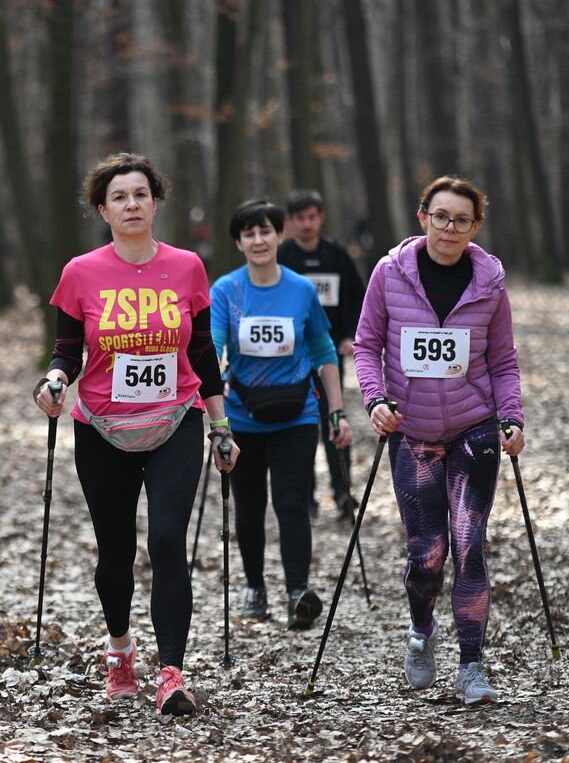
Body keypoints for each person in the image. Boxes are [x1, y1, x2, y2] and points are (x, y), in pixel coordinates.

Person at [33, 152, 238, 717]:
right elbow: (66, 352)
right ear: (102, 208)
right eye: (119, 197)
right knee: (116, 551)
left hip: (176, 418)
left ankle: (171, 672)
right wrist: (53, 381)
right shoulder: (81, 272)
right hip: (101, 427)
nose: (131, 204)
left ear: (155, 202)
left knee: (169, 540)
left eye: (140, 195)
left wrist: (221, 425)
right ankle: (120, 650)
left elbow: (201, 354)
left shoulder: (188, 267)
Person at [351, 176, 526, 706]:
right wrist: (376, 401)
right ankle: (422, 630)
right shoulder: (389, 272)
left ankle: (472, 665)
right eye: (441, 216)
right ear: (423, 216)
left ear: (476, 226)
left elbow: (504, 361)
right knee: (427, 554)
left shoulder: (490, 283)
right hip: (415, 432)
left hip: (475, 428)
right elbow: (366, 344)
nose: (450, 228)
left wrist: (512, 416)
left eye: (463, 220)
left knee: (470, 545)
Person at [210, 199, 352, 630]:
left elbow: (324, 351)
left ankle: (297, 592)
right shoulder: (226, 290)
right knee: (250, 507)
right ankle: (255, 587)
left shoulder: (301, 290)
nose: (258, 240)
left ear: (278, 236)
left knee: (291, 501)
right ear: (239, 241)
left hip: (297, 414)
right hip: (242, 417)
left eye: (265, 231)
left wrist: (337, 411)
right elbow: (214, 347)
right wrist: (216, 388)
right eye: (249, 233)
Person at [278, 190, 366, 520]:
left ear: (321, 218)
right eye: (300, 218)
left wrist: (349, 336)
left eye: (312, 217)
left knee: (334, 419)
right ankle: (305, 496)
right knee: (299, 426)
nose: (306, 224)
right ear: (290, 221)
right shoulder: (282, 256)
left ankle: (343, 492)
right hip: (291, 359)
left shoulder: (336, 254)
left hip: (329, 355)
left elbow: (356, 299)